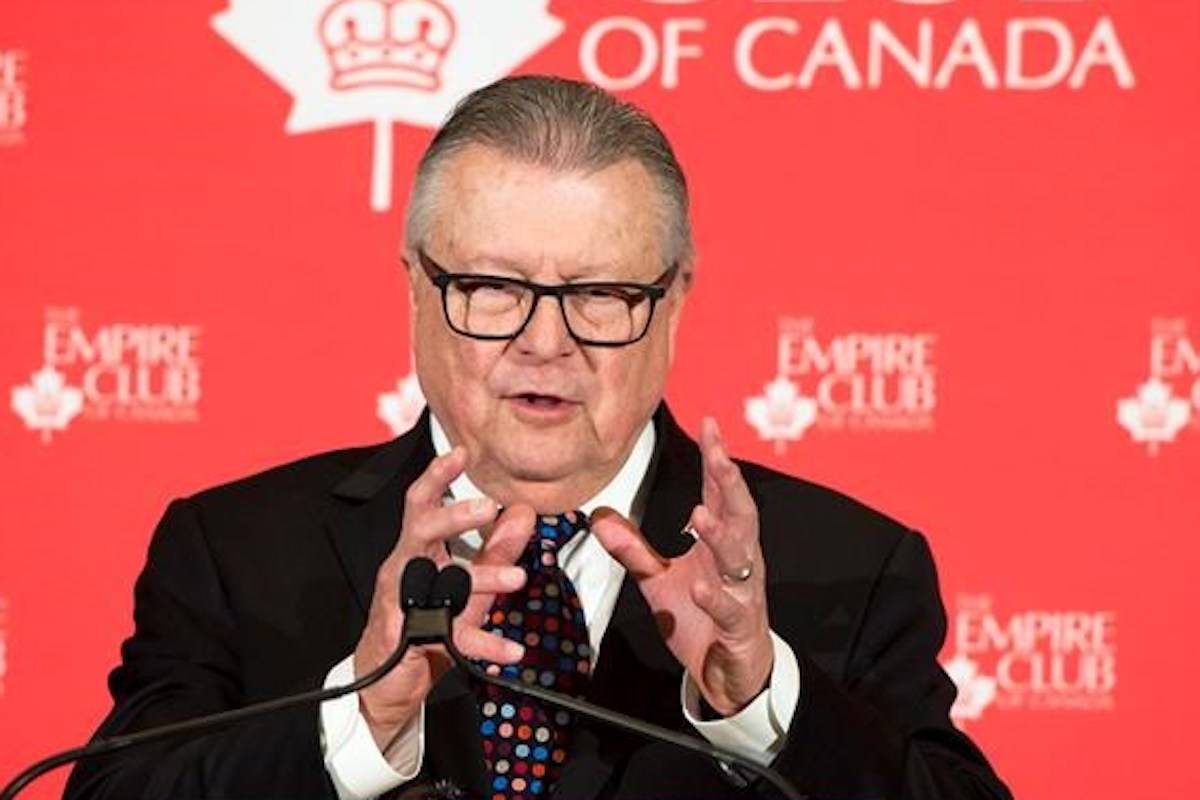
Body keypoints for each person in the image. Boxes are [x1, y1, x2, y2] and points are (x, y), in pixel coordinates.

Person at [65, 75, 1012, 800]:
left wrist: (763, 698)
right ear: (415, 289)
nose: (545, 342)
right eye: (492, 289)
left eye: (601, 295)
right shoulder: (236, 552)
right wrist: (363, 711)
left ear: (675, 302)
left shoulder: (844, 566)